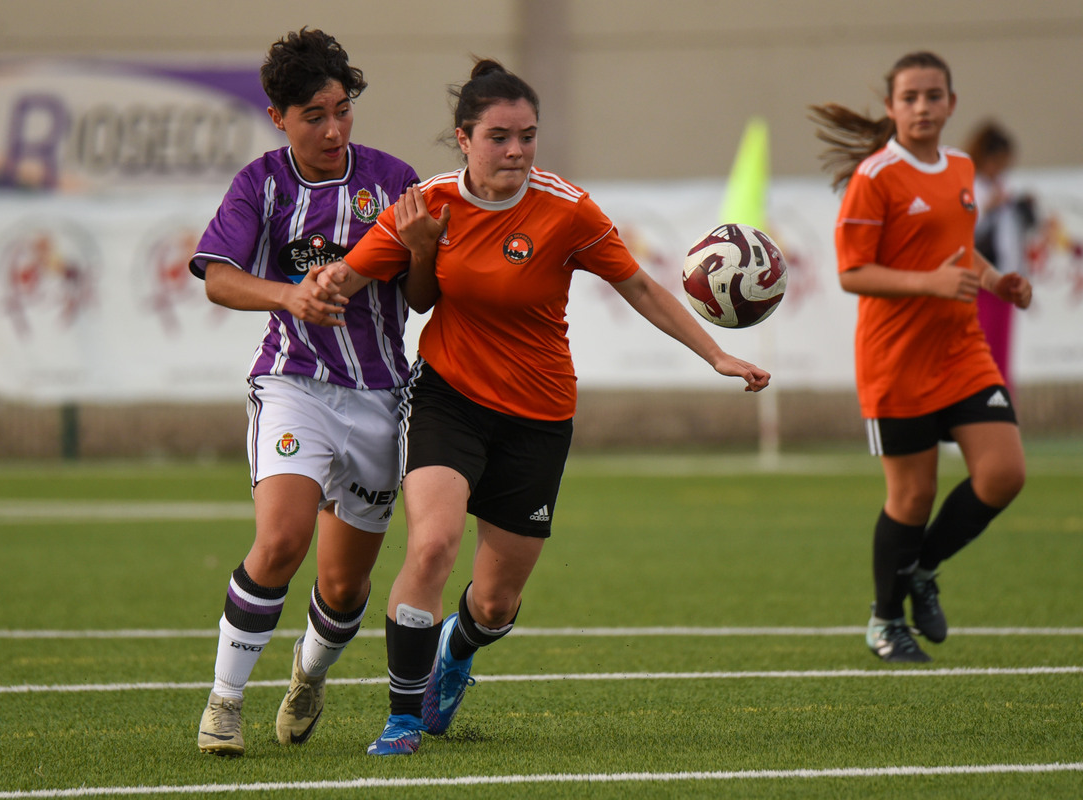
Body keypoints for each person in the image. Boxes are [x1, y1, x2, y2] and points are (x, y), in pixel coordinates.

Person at [318, 59, 771, 755]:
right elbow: (350, 280)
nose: (518, 151)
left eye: (528, 136)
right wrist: (300, 292)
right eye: (500, 137)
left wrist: (714, 355)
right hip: (448, 397)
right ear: (464, 138)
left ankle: (457, 653)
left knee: (495, 606)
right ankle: (402, 719)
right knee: (433, 544)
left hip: (539, 413)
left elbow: (642, 289)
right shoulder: (428, 203)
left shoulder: (569, 210)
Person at [189, 28, 440, 756]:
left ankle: (308, 675)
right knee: (282, 540)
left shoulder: (395, 181)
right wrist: (288, 297)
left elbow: (421, 299)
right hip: (294, 383)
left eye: (342, 110)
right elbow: (217, 277)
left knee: (343, 586)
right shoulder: (261, 184)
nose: (333, 129)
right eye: (313, 116)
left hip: (379, 398)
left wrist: (422, 247)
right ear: (279, 117)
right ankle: (224, 702)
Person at [810, 52, 1032, 663]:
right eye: (909, 97)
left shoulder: (961, 167)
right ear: (891, 108)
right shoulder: (875, 177)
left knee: (1004, 474)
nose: (923, 107)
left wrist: (994, 282)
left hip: (962, 351)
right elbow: (853, 273)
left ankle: (921, 571)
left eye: (934, 96)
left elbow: (960, 252)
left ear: (952, 104)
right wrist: (928, 284)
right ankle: (885, 622)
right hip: (896, 359)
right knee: (913, 497)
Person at [964, 120, 1038, 389]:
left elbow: (1014, 237)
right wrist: (989, 206)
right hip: (980, 282)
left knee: (1001, 351)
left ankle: (1001, 401)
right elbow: (963, 232)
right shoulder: (971, 187)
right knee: (983, 349)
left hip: (1003, 277)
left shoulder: (1004, 187)